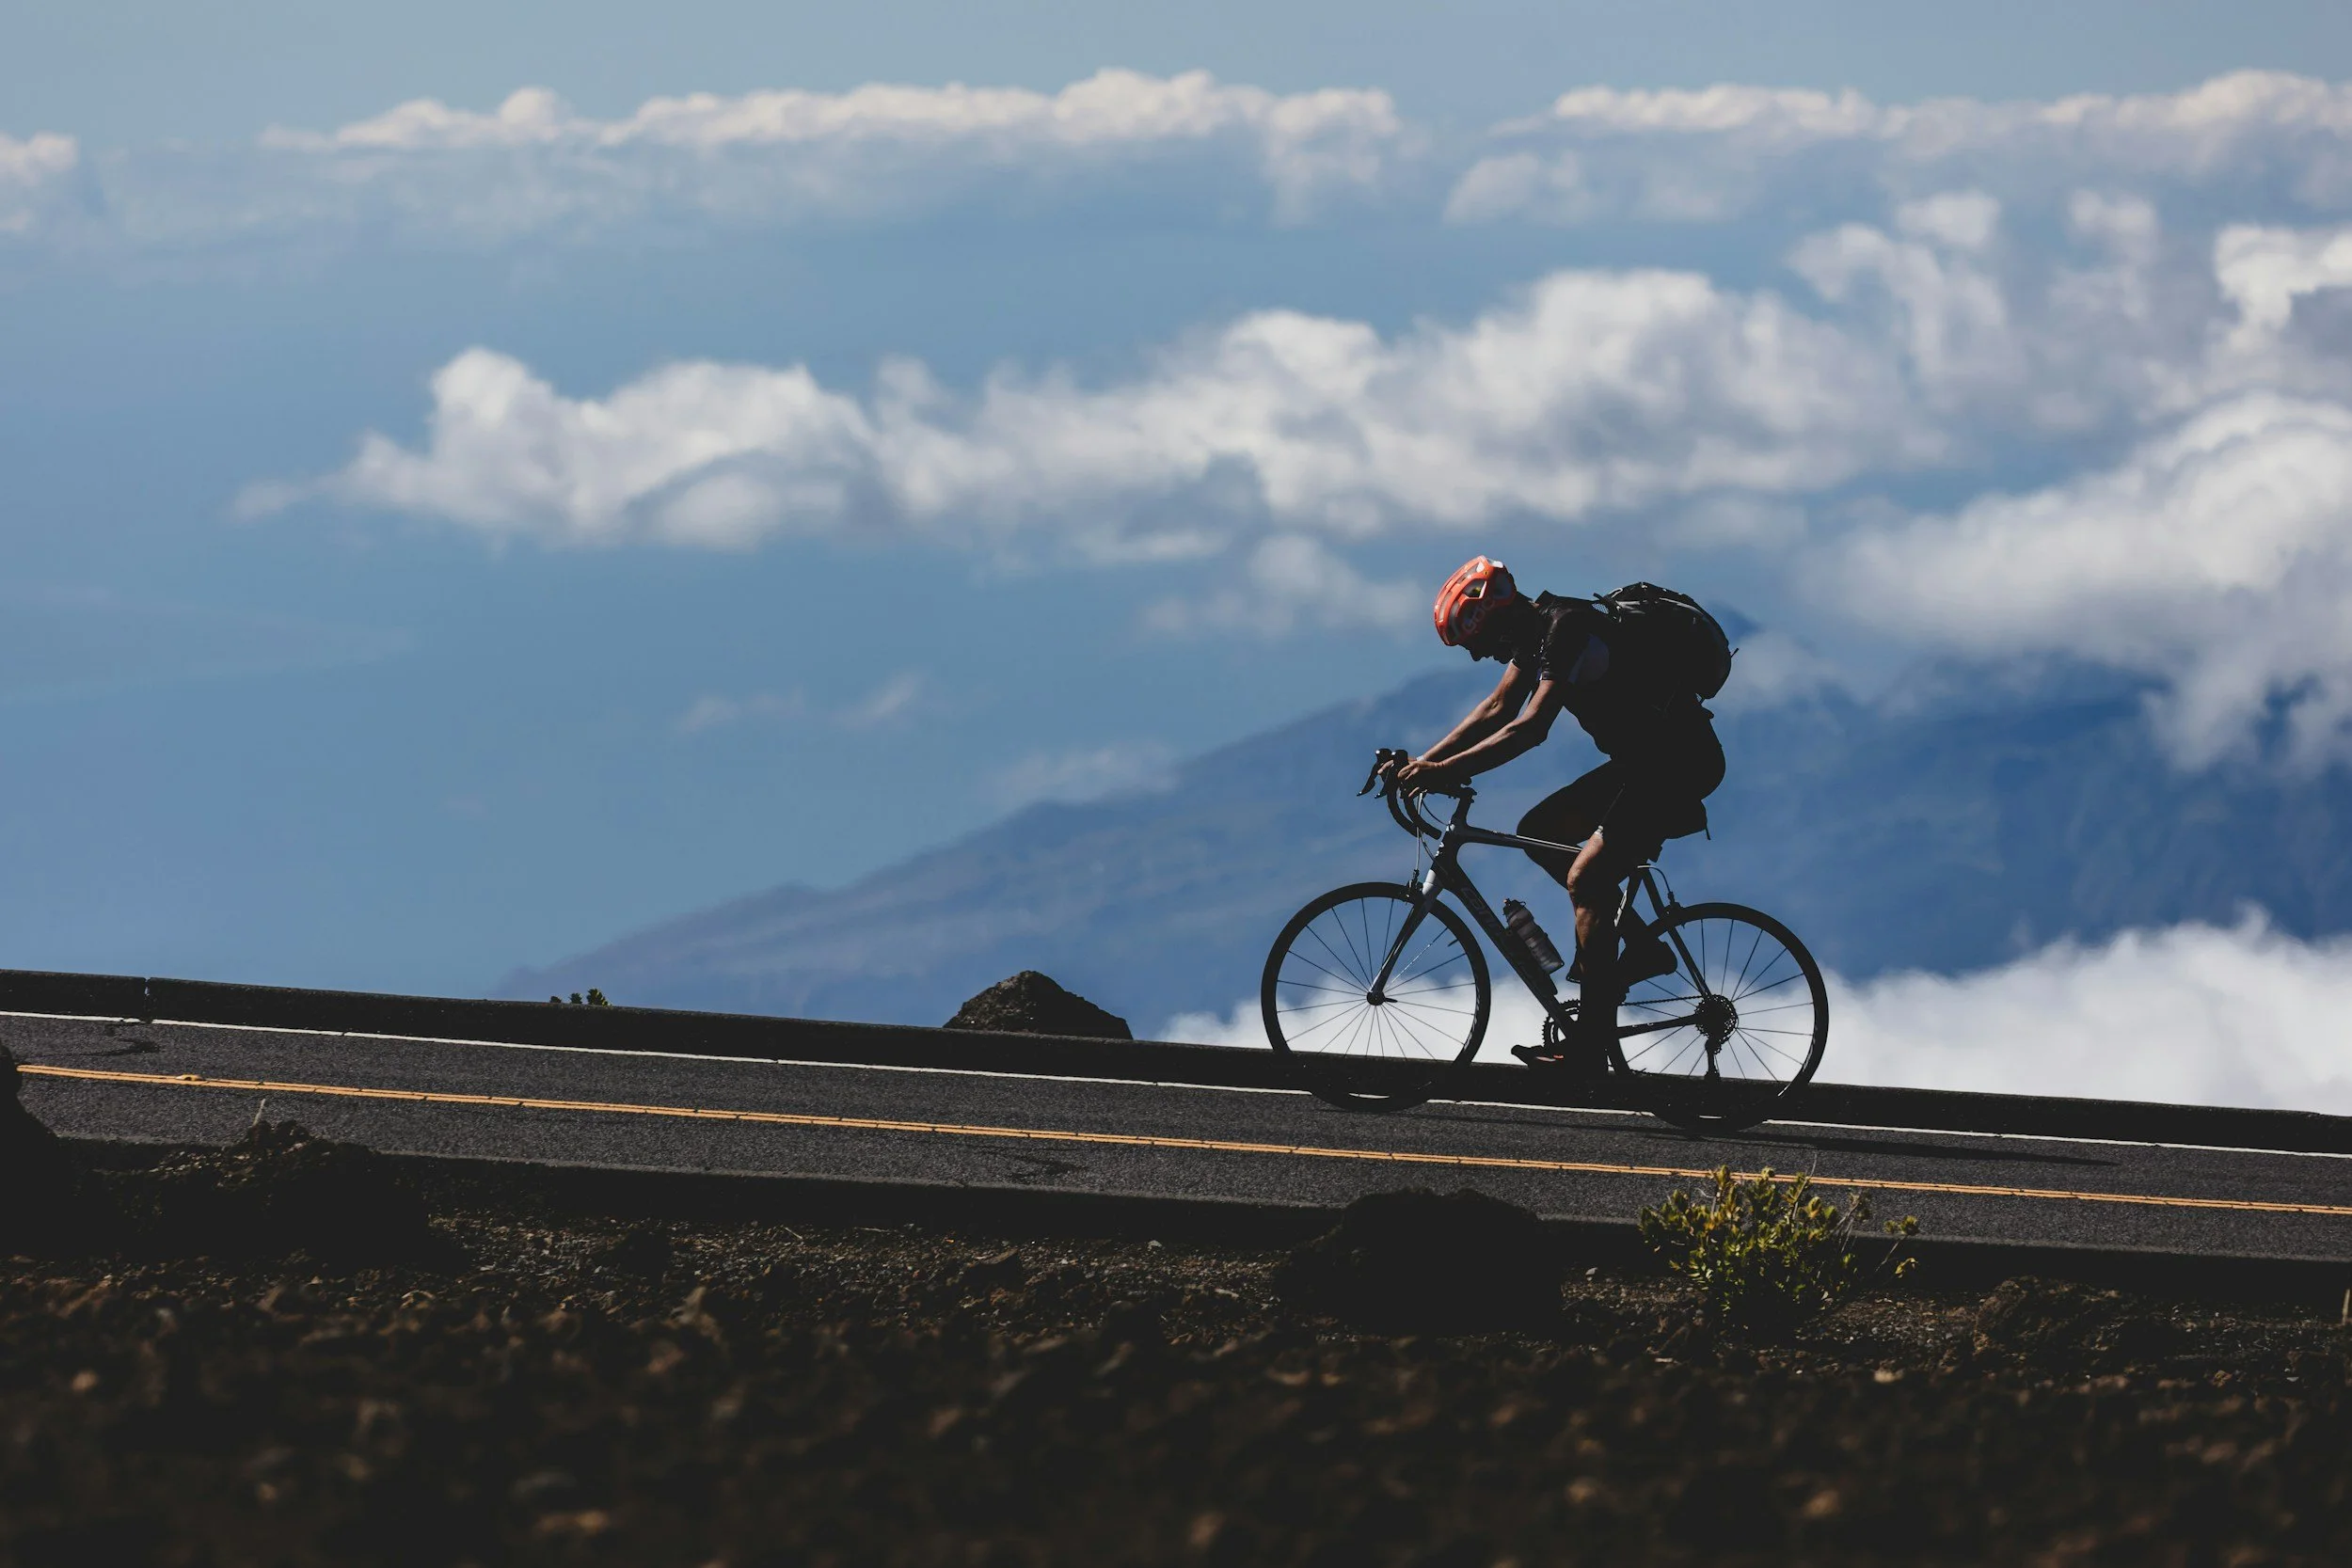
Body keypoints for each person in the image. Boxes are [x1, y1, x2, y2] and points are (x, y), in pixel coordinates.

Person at [1391, 556, 1725, 1067]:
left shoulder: (1567, 628)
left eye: (1476, 642)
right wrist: (1424, 763)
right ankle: (1642, 948)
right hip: (1644, 761)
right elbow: (1496, 709)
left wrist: (1443, 772)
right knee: (1539, 832)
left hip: (1679, 762)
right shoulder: (1537, 633)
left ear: (1495, 617)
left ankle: (1591, 1045)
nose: (1478, 657)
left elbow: (1530, 727)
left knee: (1586, 879)